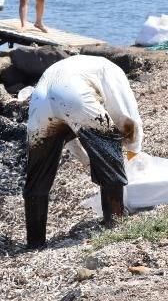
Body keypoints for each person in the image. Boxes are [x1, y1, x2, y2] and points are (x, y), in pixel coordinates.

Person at [24, 55, 144, 249]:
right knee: (109, 150)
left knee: (38, 175)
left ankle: (35, 241)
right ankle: (114, 223)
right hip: (74, 95)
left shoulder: (81, 66)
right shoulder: (112, 71)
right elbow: (126, 114)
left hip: (40, 100)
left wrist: (89, 162)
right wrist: (133, 149)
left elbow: (66, 133)